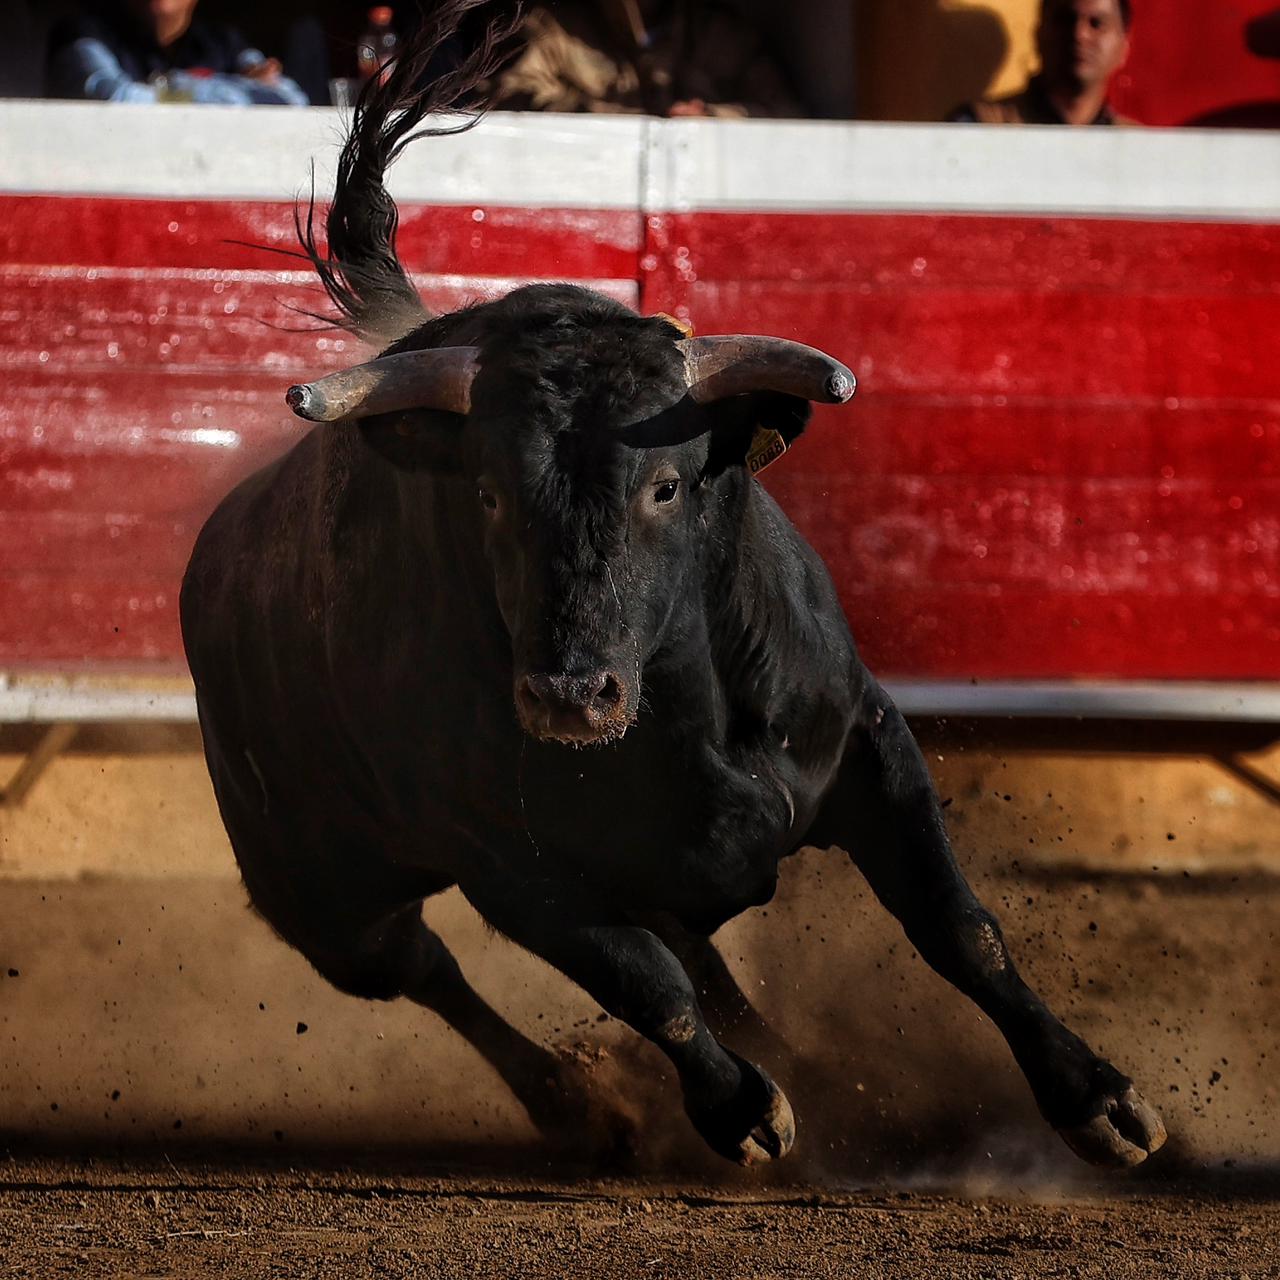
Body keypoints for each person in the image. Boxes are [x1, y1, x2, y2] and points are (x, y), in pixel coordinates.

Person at [488, 0, 803, 118]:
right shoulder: (551, 27)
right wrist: (629, 121)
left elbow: (786, 115)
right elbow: (507, 99)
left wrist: (710, 119)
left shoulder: (717, 33)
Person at [47, 0, 308, 105]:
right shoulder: (84, 34)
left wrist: (167, 89)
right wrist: (233, 90)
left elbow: (289, 99)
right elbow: (117, 96)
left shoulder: (221, 41)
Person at [950, 0, 1135, 126]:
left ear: (1123, 49)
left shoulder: (1139, 149)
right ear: (1038, 35)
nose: (1080, 34)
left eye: (1096, 23)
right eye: (1065, 20)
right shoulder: (978, 126)